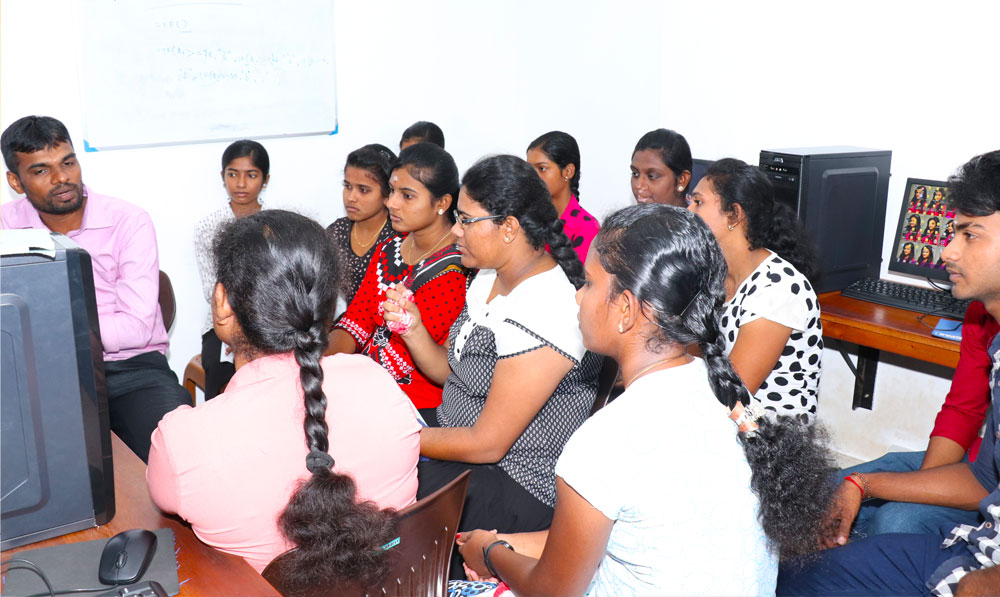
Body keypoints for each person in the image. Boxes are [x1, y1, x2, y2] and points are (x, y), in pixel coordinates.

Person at [453, 205, 835, 596]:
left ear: (625, 308)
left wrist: (493, 552)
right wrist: (504, 543)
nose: (577, 298)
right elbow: (635, 533)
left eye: (586, 284)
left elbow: (553, 590)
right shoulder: (730, 399)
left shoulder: (605, 437)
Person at [146, 210, 420, 581]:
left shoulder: (182, 443)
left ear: (223, 304)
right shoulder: (381, 385)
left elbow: (163, 501)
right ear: (326, 307)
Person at [777, 150, 1000, 596]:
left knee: (897, 519)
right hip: (977, 474)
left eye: (969, 234)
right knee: (838, 484)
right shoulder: (986, 323)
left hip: (980, 563)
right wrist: (871, 483)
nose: (946, 250)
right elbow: (970, 434)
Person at [385, 155, 600, 540]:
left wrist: (391, 439)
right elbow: (452, 373)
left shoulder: (547, 306)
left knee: (379, 501)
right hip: (460, 442)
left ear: (509, 228)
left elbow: (488, 445)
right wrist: (413, 327)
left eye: (466, 220)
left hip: (516, 482)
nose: (455, 231)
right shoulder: (487, 276)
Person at [1, 115, 189, 462]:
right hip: (42, 375)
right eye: (41, 170)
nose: (62, 178)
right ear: (16, 180)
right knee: (39, 468)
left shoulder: (127, 221)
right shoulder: (5, 227)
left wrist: (49, 334)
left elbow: (135, 327)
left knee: (182, 455)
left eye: (68, 162)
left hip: (131, 369)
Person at [328, 143, 469, 420]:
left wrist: (340, 380)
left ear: (442, 203)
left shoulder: (456, 267)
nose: (391, 203)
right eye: (392, 191)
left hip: (416, 406)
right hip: (370, 386)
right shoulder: (390, 248)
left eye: (407, 196)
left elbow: (398, 358)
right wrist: (321, 358)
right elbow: (356, 320)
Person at [840, 300, 998, 537]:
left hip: (987, 483)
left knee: (895, 521)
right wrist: (921, 485)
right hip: (977, 466)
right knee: (829, 490)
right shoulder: (982, 313)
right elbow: (964, 409)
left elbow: (985, 482)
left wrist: (873, 485)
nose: (945, 260)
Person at [687, 158, 822, 423]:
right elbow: (689, 360)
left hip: (770, 443)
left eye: (698, 202)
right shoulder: (712, 273)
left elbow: (732, 394)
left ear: (734, 215)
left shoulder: (780, 290)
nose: (688, 210)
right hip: (721, 421)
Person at [194, 139, 269, 400]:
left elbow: (277, 283)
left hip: (269, 318)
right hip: (222, 318)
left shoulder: (276, 225)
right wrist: (235, 331)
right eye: (232, 174)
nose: (240, 183)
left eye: (251, 175)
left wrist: (252, 329)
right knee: (220, 372)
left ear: (265, 179)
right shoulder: (208, 227)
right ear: (222, 176)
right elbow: (210, 289)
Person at [326, 144, 397, 304]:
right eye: (347, 186)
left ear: (387, 194)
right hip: (349, 325)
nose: (351, 197)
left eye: (363, 190)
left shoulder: (398, 237)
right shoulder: (337, 232)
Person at [526, 131, 600, 263]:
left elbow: (582, 282)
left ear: (568, 171)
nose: (533, 177)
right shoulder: (526, 220)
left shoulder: (587, 228)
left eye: (542, 169)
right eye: (530, 169)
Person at [629, 128, 692, 207]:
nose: (638, 185)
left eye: (652, 176)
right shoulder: (631, 218)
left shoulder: (701, 218)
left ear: (682, 180)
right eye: (635, 174)